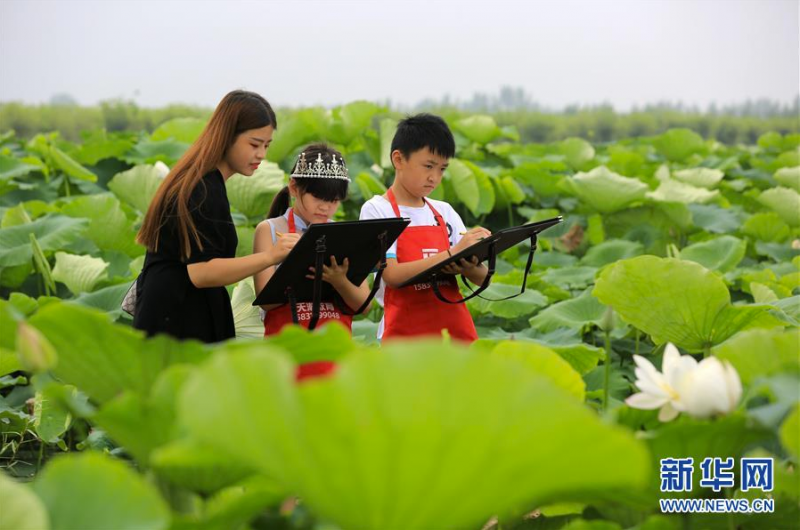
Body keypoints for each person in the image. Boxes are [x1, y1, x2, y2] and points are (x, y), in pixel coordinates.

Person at [134, 90, 297, 343]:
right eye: (254, 144)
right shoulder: (203, 189)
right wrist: (271, 256)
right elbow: (202, 272)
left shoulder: (199, 179)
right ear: (227, 136)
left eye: (266, 145)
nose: (261, 155)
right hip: (177, 323)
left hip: (170, 313)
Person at [359, 113, 490, 342]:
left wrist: (468, 263)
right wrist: (451, 254)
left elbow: (483, 278)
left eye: (442, 169)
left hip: (453, 337)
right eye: (428, 166)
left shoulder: (444, 211)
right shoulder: (377, 210)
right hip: (403, 341)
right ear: (398, 160)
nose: (435, 177)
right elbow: (392, 275)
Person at [253, 143, 370, 337]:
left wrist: (339, 281)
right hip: (288, 345)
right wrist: (296, 261)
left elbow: (364, 306)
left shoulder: (344, 233)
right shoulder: (270, 230)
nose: (325, 208)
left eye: (333, 200)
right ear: (293, 187)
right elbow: (266, 300)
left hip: (334, 347)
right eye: (317, 197)